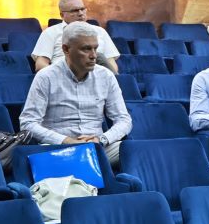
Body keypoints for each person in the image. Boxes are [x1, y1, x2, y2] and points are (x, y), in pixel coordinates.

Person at [20, 22, 132, 166]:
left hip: (97, 147)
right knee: (46, 155)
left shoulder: (106, 76)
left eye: (95, 48)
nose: (94, 55)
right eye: (86, 49)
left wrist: (101, 139)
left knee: (136, 151)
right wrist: (66, 141)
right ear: (66, 49)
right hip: (59, 148)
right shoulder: (46, 77)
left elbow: (124, 120)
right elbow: (28, 123)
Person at [32, 0, 120, 74]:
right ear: (62, 15)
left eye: (82, 9)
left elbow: (112, 65)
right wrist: (58, 78)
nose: (80, 13)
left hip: (97, 77)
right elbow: (40, 64)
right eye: (74, 11)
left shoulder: (100, 31)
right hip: (65, 75)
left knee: (99, 56)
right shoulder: (50, 32)